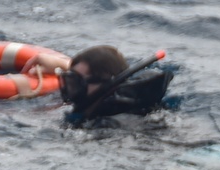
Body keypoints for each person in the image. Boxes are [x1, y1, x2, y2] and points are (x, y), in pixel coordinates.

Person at [22, 45, 172, 120]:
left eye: (78, 82)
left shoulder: (103, 128)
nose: (72, 90)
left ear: (107, 85)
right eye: (70, 80)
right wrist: (62, 64)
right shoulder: (100, 100)